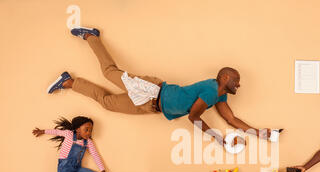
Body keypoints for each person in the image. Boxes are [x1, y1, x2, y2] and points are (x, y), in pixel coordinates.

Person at [47, 27, 273, 147]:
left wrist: (258, 132)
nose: (239, 84)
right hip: (152, 91)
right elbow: (193, 117)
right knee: (109, 73)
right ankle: (90, 36)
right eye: (236, 80)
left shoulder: (220, 97)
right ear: (224, 77)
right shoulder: (211, 89)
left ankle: (69, 82)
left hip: (150, 107)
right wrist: (216, 136)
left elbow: (231, 120)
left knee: (107, 103)